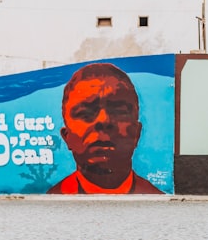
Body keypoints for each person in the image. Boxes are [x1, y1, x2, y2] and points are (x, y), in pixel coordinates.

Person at [48, 63, 163, 194]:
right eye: (86, 114)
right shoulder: (51, 199)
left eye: (118, 111)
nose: (103, 120)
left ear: (136, 133)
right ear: (66, 136)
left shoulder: (157, 199)